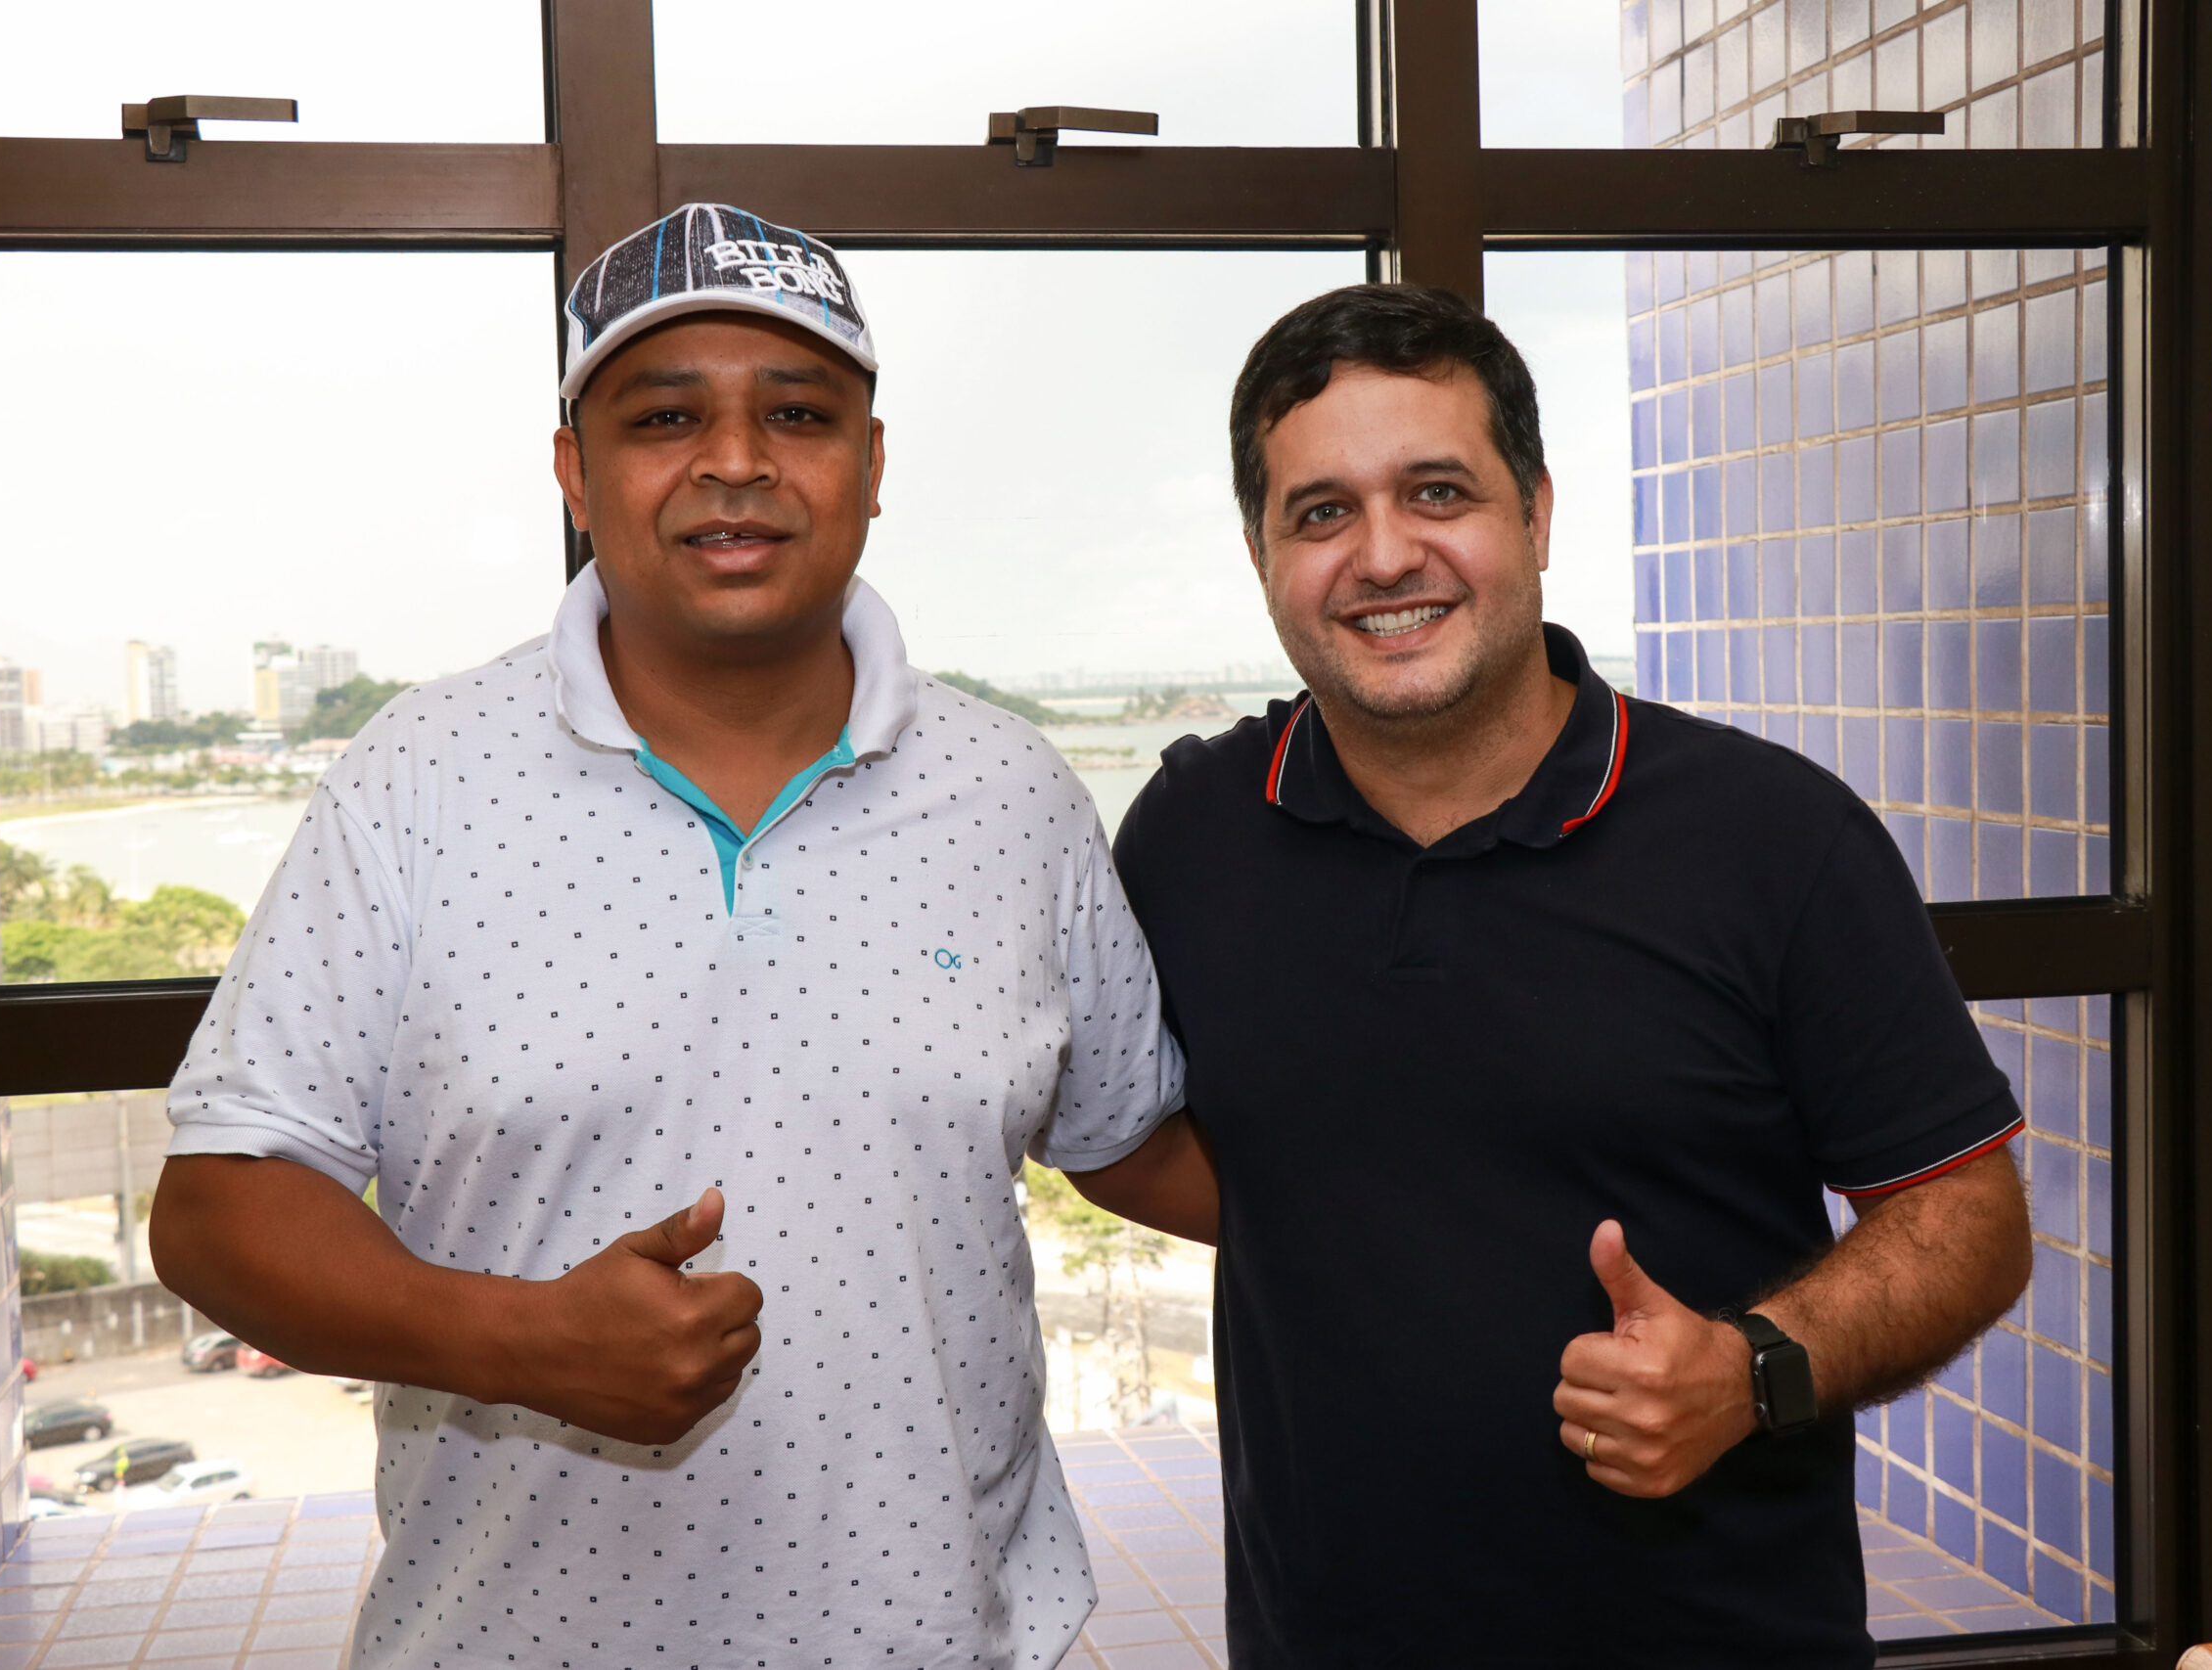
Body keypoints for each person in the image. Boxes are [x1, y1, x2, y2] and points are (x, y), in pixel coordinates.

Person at [150, 202, 1208, 1670]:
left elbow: (1131, 1140)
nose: (736, 461)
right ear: (575, 475)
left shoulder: (1015, 792)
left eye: (798, 413)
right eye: (664, 417)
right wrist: (515, 1339)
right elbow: (220, 1205)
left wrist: (1484, 1206)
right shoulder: (419, 776)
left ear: (873, 464)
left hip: (945, 1639)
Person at [1076, 283, 2037, 1666]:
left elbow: (1967, 1216)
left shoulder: (1773, 839)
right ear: (1261, 552)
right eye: (1323, 512)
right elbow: (1136, 1135)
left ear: (1534, 513)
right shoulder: (1194, 834)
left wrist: (1754, 1368)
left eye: (1438, 492)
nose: (1384, 555)